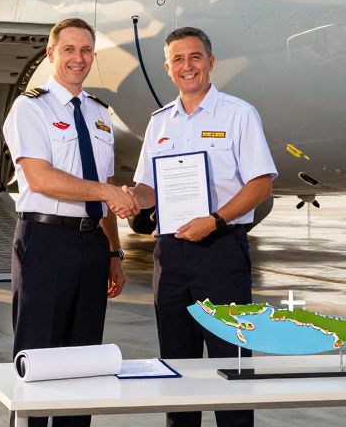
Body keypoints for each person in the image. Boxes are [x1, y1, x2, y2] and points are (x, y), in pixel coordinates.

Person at [131, 26, 277, 427]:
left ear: (211, 62)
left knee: (232, 370)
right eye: (178, 59)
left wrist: (213, 221)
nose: (187, 66)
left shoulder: (238, 114)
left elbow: (261, 183)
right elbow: (148, 189)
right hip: (172, 256)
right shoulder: (160, 123)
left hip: (221, 252)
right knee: (177, 373)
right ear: (167, 68)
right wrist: (126, 198)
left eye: (195, 57)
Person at [2, 17, 139, 427]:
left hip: (91, 246)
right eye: (69, 49)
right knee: (38, 357)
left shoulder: (100, 115)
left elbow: (106, 185)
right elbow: (41, 178)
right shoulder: (30, 107)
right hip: (44, 241)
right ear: (51, 54)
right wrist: (107, 194)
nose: (78, 58)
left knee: (84, 362)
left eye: (85, 51)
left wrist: (114, 252)